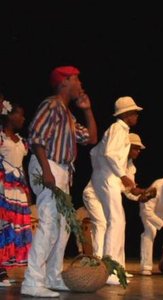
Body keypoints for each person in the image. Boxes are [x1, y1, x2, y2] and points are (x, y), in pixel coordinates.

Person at [21, 66, 97, 298]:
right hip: (49, 165)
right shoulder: (52, 105)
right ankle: (32, 281)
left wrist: (88, 110)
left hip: (62, 170)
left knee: (63, 226)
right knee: (49, 223)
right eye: (77, 79)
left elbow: (91, 138)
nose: (81, 84)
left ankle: (53, 276)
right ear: (64, 82)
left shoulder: (67, 113)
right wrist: (47, 170)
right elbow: (35, 138)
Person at [89, 96, 144, 285]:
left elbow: (99, 153)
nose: (137, 115)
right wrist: (122, 175)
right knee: (116, 220)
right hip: (107, 177)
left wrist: (129, 185)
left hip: (108, 176)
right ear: (127, 114)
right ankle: (110, 270)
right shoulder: (117, 129)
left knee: (119, 220)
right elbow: (109, 153)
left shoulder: (122, 130)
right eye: (134, 112)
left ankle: (117, 268)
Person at [82, 133, 154, 273]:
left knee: (118, 226)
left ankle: (116, 266)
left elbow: (128, 190)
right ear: (127, 147)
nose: (138, 152)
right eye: (135, 148)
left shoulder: (131, 168)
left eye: (139, 149)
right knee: (102, 224)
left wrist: (139, 196)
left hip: (108, 197)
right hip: (94, 194)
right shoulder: (114, 159)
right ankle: (98, 265)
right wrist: (132, 189)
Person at [0, 96, 32, 286]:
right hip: (3, 188)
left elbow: (22, 168)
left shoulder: (21, 141)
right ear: (10, 116)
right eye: (20, 115)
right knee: (3, 225)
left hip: (18, 190)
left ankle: (6, 265)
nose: (23, 119)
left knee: (14, 228)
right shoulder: (2, 138)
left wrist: (27, 190)